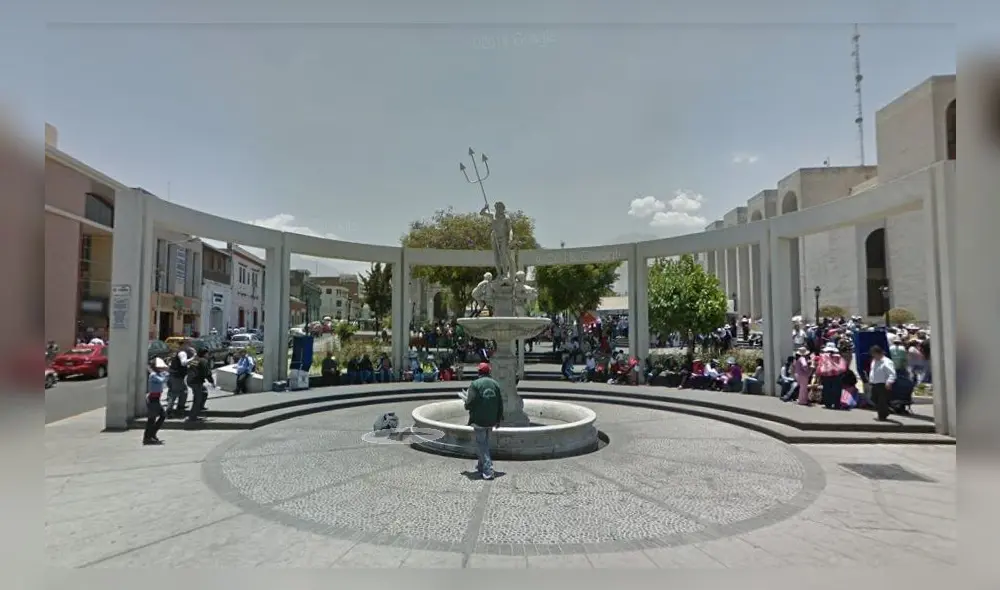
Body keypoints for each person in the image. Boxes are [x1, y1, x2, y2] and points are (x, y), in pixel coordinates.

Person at [464, 363, 504, 480]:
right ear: (489, 372)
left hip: (479, 419)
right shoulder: (496, 384)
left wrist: (466, 404)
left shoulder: (475, 384)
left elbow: (470, 402)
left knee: (482, 444)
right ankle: (481, 465)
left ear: (479, 372)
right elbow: (500, 403)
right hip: (491, 419)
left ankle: (488, 470)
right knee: (484, 442)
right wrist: (498, 419)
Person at [185, 348, 215, 423]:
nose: (208, 355)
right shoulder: (203, 361)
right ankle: (192, 417)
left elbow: (190, 369)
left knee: (204, 392)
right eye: (207, 354)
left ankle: (199, 408)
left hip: (190, 380)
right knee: (197, 399)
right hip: (196, 382)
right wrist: (212, 382)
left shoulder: (195, 359)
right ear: (204, 354)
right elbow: (207, 373)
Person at [867, 345, 897, 421]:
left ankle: (882, 416)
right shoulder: (874, 361)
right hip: (875, 383)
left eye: (874, 354)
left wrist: (889, 382)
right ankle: (887, 409)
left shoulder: (887, 362)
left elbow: (892, 373)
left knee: (881, 401)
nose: (873, 356)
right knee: (873, 398)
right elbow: (873, 371)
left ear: (879, 353)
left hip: (883, 384)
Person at [816, 342, 848, 409]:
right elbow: (843, 367)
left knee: (827, 389)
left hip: (826, 374)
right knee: (837, 390)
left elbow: (820, 365)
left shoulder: (823, 356)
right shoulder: (838, 356)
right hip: (837, 375)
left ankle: (828, 404)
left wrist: (818, 374)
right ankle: (836, 404)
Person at [144, 358, 168, 445]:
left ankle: (152, 434)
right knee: (152, 419)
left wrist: (166, 372)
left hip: (156, 399)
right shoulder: (153, 375)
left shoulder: (158, 374)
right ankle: (148, 437)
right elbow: (161, 380)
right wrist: (166, 373)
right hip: (152, 399)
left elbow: (165, 378)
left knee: (162, 416)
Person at [166, 346, 194, 418]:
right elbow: (184, 363)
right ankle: (169, 411)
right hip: (176, 377)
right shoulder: (182, 353)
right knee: (174, 393)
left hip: (175, 376)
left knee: (183, 391)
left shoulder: (179, 353)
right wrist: (194, 358)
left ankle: (180, 407)